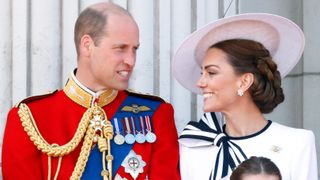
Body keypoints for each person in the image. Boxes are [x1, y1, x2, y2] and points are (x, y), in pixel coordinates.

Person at [2, 2, 180, 180]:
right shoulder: (30, 118)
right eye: (120, 48)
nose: (131, 60)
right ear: (87, 45)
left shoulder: (155, 114)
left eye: (135, 49)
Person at [172, 13, 318, 180]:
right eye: (202, 72)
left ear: (244, 81)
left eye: (211, 72)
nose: (200, 82)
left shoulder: (297, 143)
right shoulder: (192, 147)